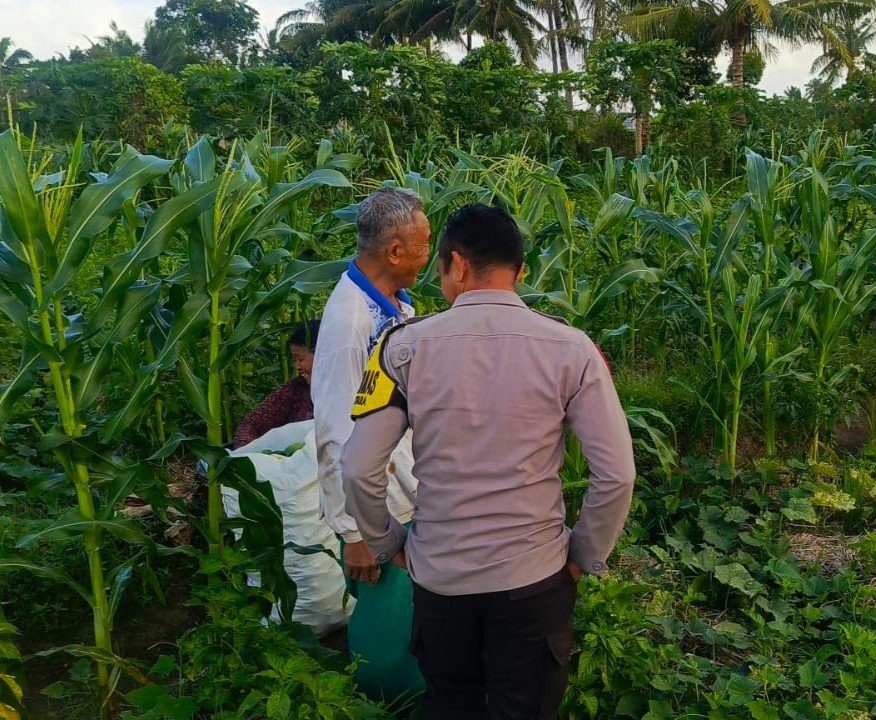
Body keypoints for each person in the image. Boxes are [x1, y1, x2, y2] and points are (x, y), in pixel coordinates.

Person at [341, 203, 636, 720]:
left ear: (456, 264)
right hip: (535, 580)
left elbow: (359, 469)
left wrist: (390, 545)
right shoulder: (573, 350)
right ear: (520, 273)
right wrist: (584, 554)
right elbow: (617, 474)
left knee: (451, 704)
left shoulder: (400, 348)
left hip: (441, 582)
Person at [310, 187, 430, 699]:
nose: (432, 255)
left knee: (410, 626)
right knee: (385, 642)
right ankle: (384, 706)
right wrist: (352, 531)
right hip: (375, 511)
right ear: (395, 251)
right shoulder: (349, 323)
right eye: (425, 245)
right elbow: (335, 431)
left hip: (402, 494)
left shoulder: (395, 305)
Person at [233, 320, 319, 448]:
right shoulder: (295, 389)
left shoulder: (353, 393)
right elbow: (252, 424)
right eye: (294, 360)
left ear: (322, 354)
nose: (297, 366)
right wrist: (249, 455)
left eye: (300, 359)